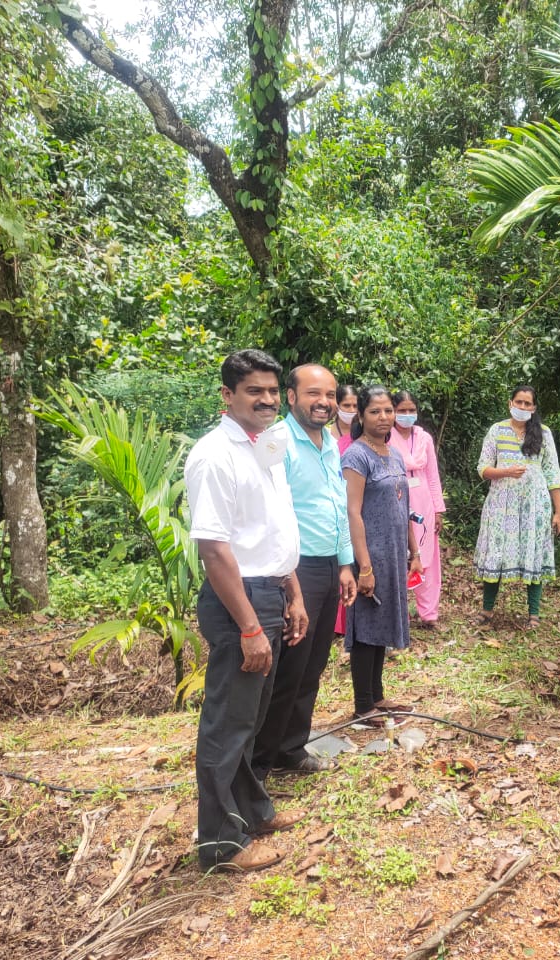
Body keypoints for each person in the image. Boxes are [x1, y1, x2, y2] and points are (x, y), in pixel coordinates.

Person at [184, 349, 309, 874]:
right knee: (228, 723)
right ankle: (220, 844)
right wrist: (251, 626)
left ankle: (252, 811)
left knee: (251, 717)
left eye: (272, 390)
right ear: (227, 395)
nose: (266, 399)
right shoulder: (216, 455)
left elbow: (273, 528)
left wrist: (292, 591)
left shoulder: (265, 445)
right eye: (254, 390)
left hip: (270, 591)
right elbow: (215, 551)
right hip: (241, 601)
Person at [251, 365, 358, 780]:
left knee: (312, 665)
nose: (324, 402)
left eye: (330, 395)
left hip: (329, 565)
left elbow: (338, 505)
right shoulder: (275, 441)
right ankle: (258, 764)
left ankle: (290, 748)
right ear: (292, 397)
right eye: (314, 393)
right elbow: (263, 511)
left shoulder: (330, 442)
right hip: (294, 571)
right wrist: (288, 579)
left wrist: (345, 563)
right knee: (288, 667)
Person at [342, 385, 423, 726]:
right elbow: (352, 511)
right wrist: (364, 566)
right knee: (366, 627)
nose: (384, 417)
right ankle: (363, 706)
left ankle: (377, 696)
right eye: (375, 411)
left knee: (382, 623)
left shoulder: (395, 454)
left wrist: (414, 551)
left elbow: (404, 507)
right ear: (361, 416)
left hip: (394, 553)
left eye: (388, 410)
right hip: (369, 554)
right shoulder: (356, 456)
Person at [474, 385, 560, 630]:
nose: (522, 407)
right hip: (500, 505)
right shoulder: (497, 430)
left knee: (533, 553)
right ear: (510, 403)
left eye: (527, 403)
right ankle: (487, 610)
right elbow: (482, 468)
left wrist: (558, 512)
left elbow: (553, 473)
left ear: (533, 408)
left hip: (535, 507)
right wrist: (506, 472)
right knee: (495, 553)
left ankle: (533, 614)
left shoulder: (543, 433)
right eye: (519, 402)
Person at [391, 390, 447, 631]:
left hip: (424, 501)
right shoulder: (386, 436)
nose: (407, 414)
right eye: (402, 410)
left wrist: (438, 509)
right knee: (399, 554)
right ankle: (398, 613)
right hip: (396, 498)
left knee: (428, 557)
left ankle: (429, 613)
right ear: (393, 411)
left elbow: (433, 475)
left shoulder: (424, 438)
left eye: (411, 410)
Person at [333, 383, 359, 636]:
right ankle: (337, 624)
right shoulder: (327, 435)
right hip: (336, 504)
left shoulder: (364, 433)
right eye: (346, 405)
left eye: (355, 406)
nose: (351, 410)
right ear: (337, 406)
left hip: (360, 504)